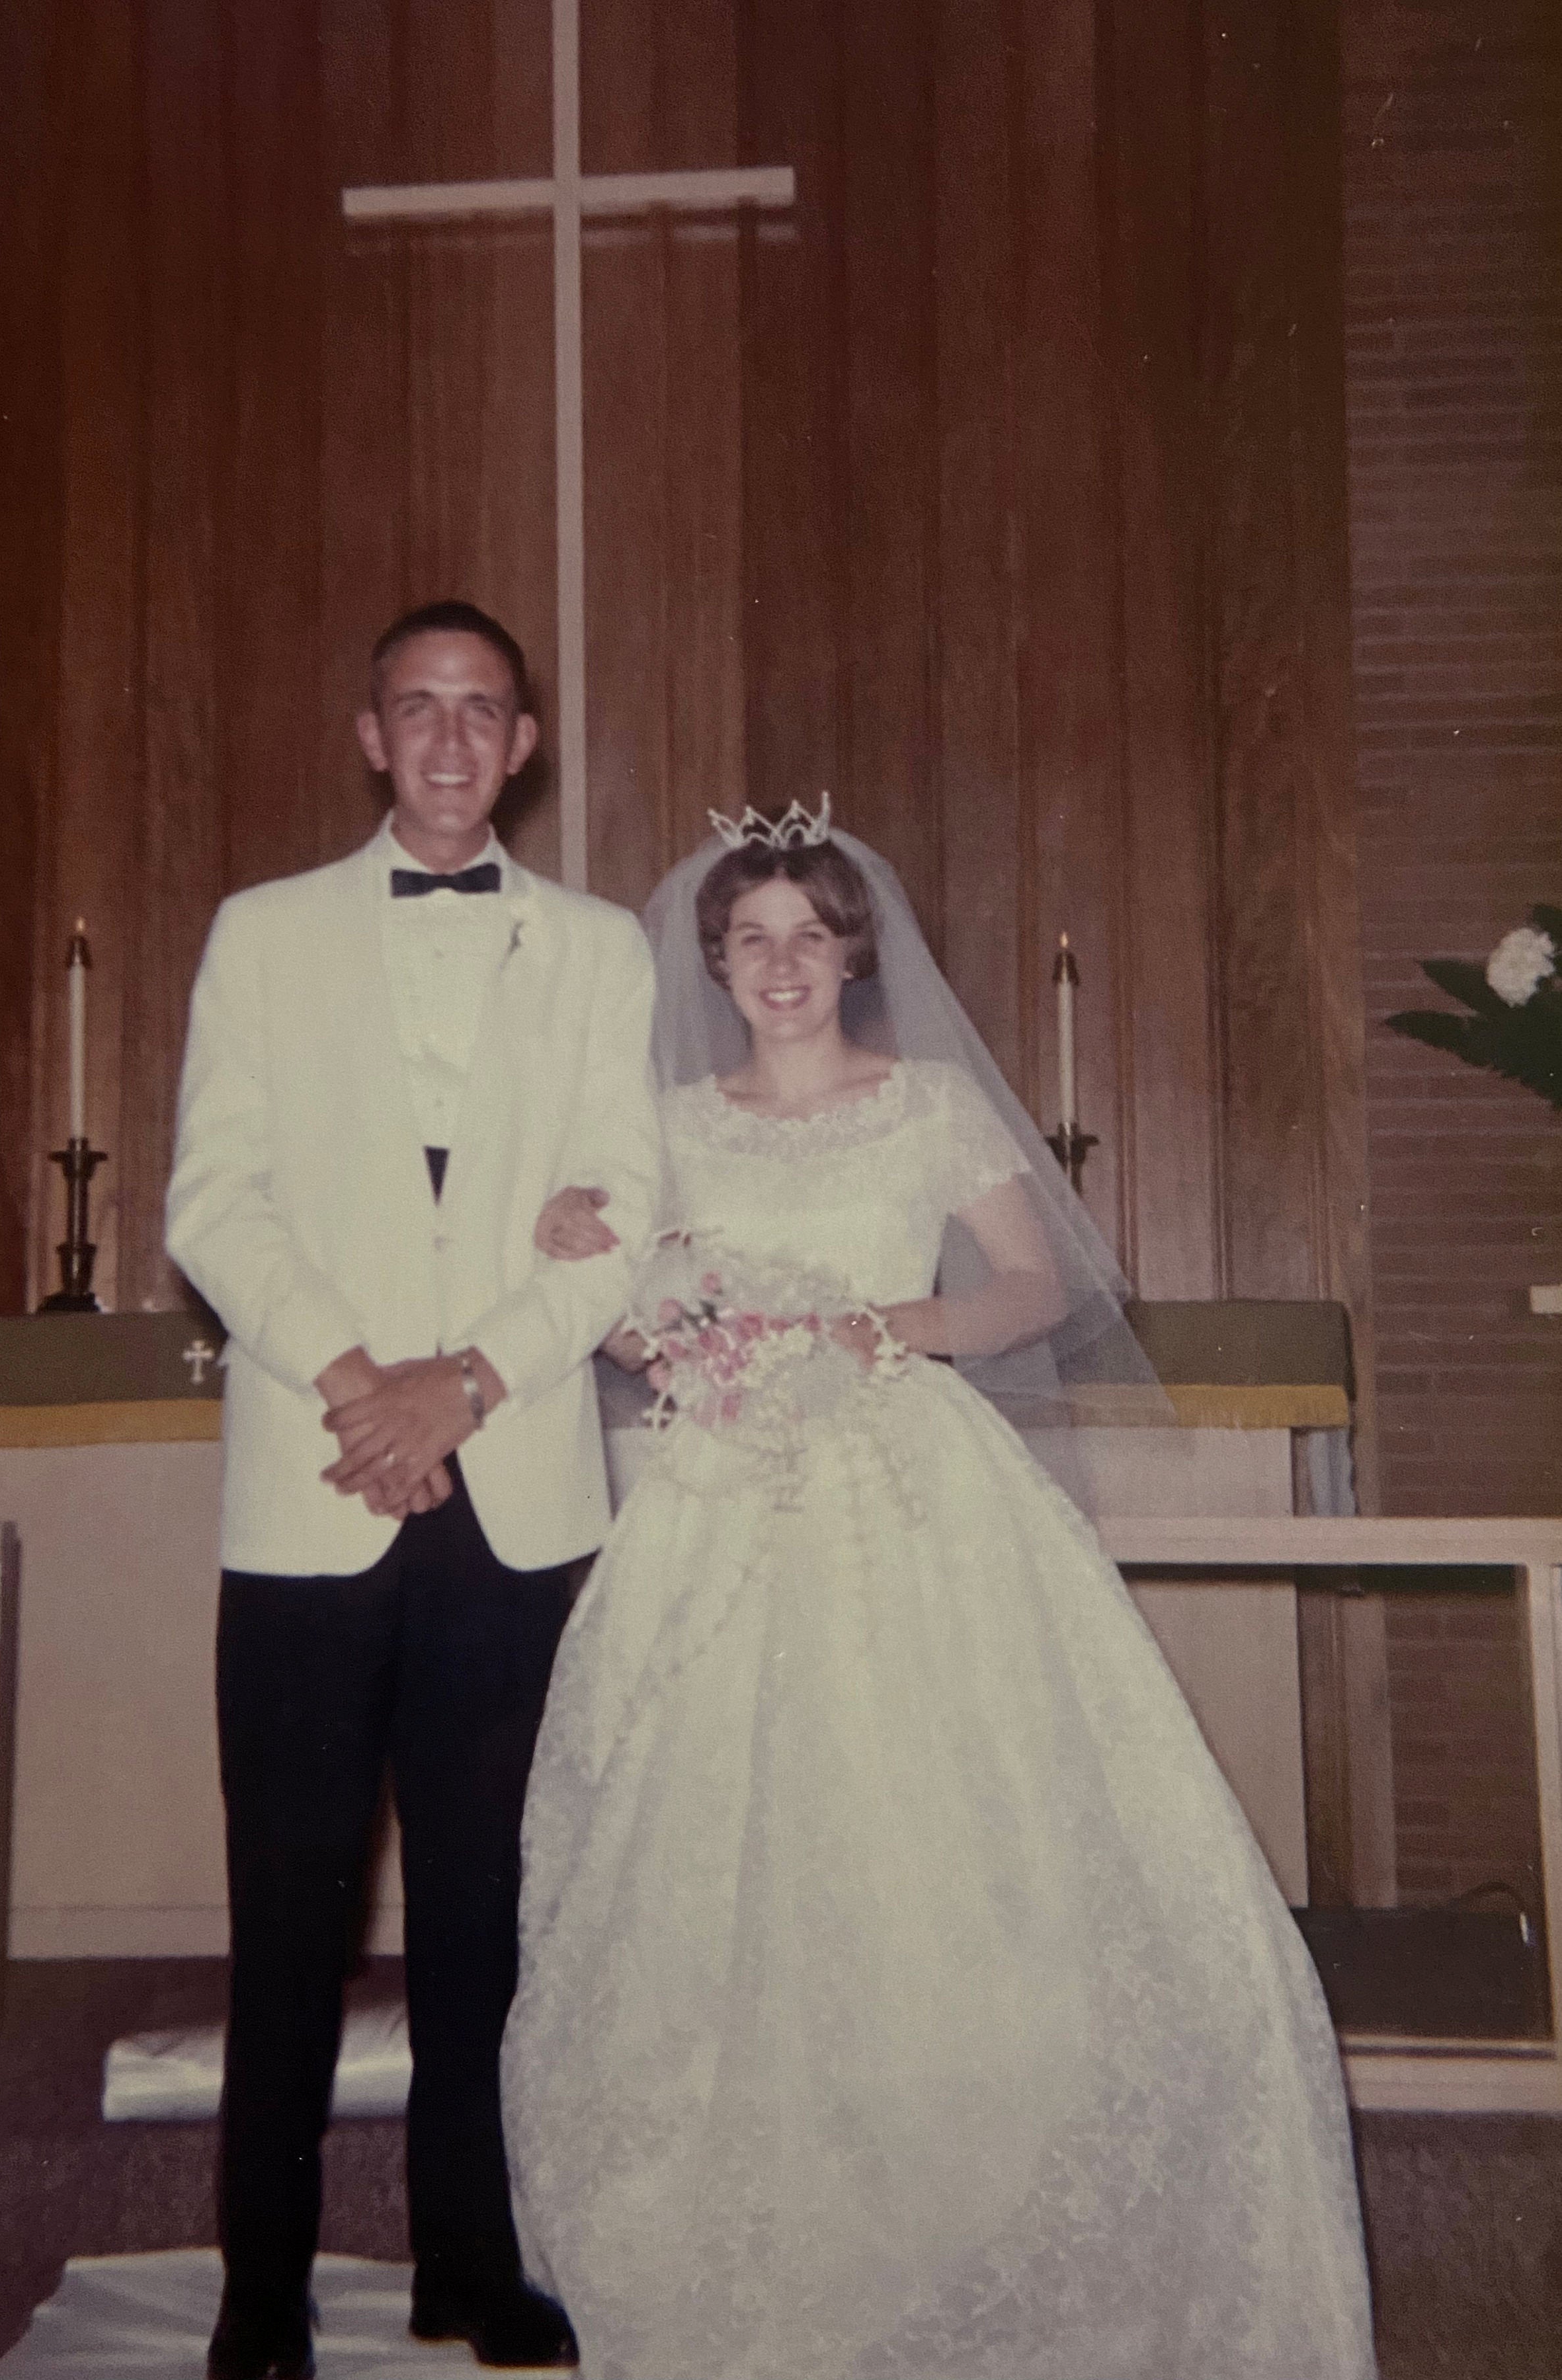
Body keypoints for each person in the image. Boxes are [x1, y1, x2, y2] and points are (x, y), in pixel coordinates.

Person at [500, 806, 1377, 2379]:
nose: (780, 965)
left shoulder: (932, 1105)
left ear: (855, 952)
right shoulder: (668, 1119)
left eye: (808, 936)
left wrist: (867, 1328)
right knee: (706, 1838)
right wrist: (645, 1309)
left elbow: (1032, 1288)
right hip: (714, 1503)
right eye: (749, 937)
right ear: (715, 960)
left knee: (932, 1831)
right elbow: (615, 1312)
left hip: (906, 1482)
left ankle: (966, 2188)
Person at [165, 600, 661, 2378]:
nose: (450, 741)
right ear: (369, 736)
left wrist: (466, 1380)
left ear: (524, 746)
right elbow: (212, 1206)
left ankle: (470, 2258)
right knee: (287, 1905)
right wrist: (366, 1382)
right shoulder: (262, 933)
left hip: (517, 1486)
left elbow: (624, 1215)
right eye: (417, 710)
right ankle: (256, 2291)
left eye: (484, 713)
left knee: (484, 1908)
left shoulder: (604, 952)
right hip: (314, 1476)